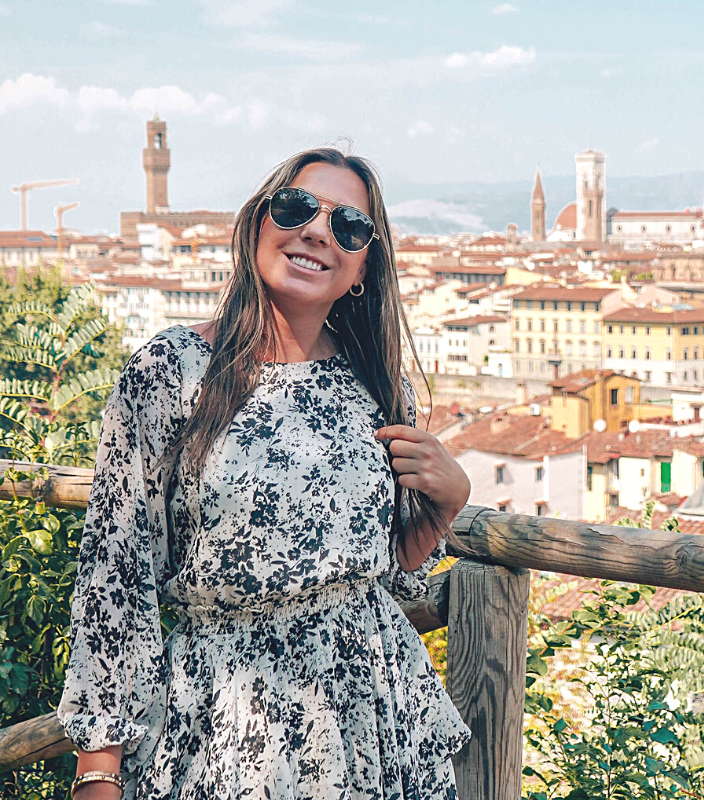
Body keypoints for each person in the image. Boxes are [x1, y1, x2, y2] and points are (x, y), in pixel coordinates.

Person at [57, 147, 473, 800]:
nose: (316, 231)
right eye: (297, 207)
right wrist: (99, 768)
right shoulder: (174, 371)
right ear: (259, 222)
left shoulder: (377, 383)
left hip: (370, 720)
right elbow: (117, 572)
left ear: (363, 266)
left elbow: (384, 570)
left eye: (349, 227)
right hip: (230, 719)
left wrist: (445, 507)